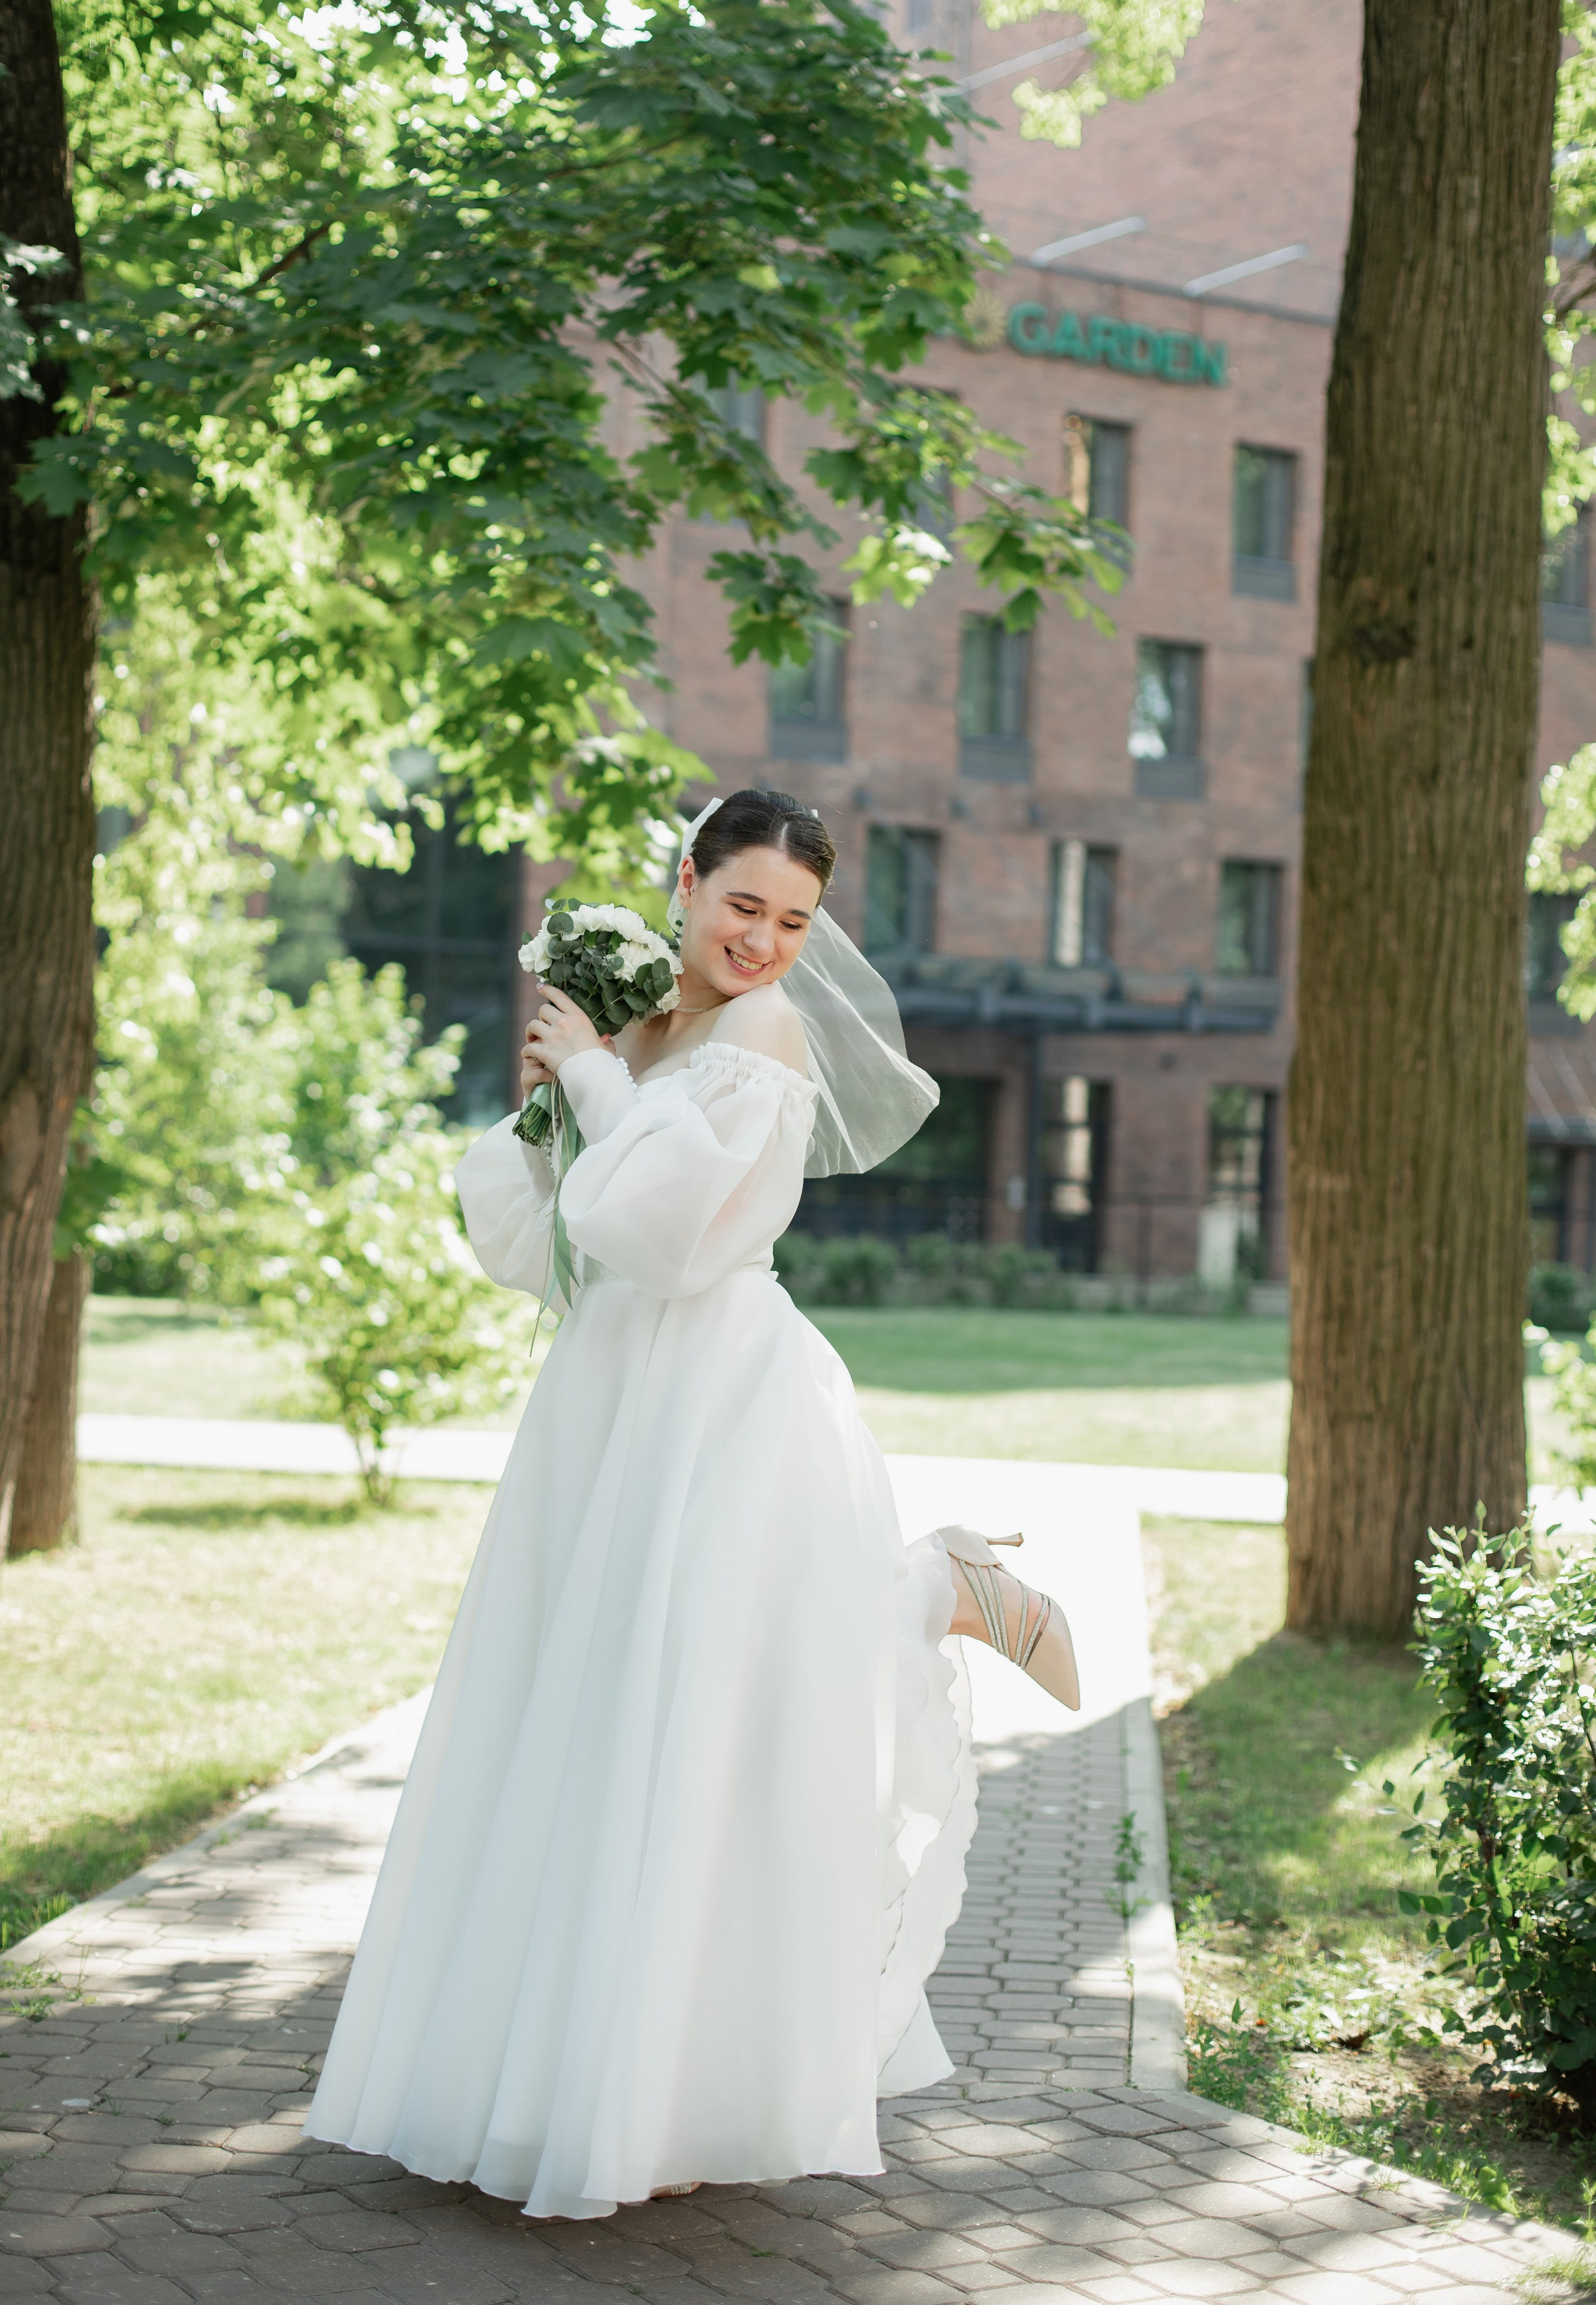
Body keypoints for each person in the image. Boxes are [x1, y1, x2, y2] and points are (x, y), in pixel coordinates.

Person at [306, 787, 1079, 2221]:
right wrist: (558, 1090)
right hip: (606, 1398)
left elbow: (677, 1235)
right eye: (744, 907)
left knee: (723, 1697)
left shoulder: (765, 1036)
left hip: (727, 1391)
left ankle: (938, 1585)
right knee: (595, 1713)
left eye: (795, 921)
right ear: (686, 879)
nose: (766, 943)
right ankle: (584, 2082)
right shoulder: (642, 1025)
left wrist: (597, 1087)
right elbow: (550, 1237)